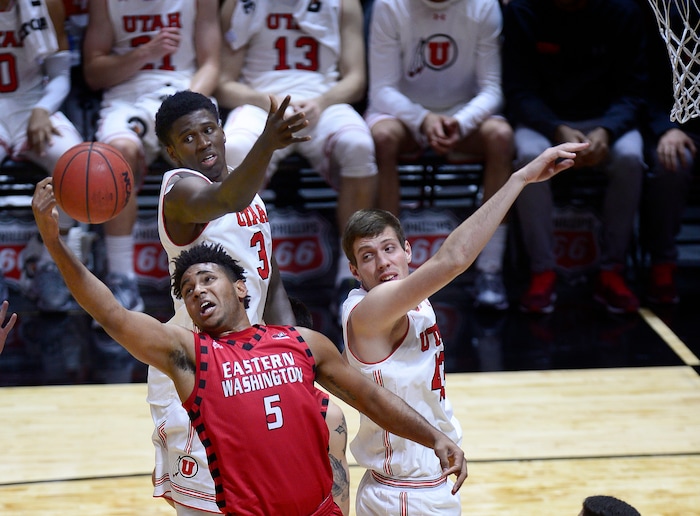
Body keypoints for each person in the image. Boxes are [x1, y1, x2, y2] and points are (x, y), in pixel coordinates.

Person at [31, 181, 469, 515]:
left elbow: (370, 398)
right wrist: (55, 243)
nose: (197, 291)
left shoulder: (301, 343)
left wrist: (434, 438)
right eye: (186, 288)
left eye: (207, 279)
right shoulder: (191, 355)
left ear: (241, 287)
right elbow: (113, 314)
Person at [340, 141, 588, 514]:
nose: (382, 262)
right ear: (355, 272)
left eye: (389, 248)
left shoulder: (412, 297)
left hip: (426, 482)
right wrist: (519, 179)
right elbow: (454, 259)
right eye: (367, 256)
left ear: (408, 251)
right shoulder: (367, 311)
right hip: (404, 493)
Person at [150, 90, 350, 514]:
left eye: (209, 129)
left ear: (222, 131)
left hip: (252, 368)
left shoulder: (249, 190)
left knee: (326, 433)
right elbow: (225, 200)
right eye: (188, 138)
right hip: (197, 372)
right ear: (171, 151)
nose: (203, 142)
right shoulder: (180, 192)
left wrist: (291, 353)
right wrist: (268, 143)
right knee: (215, 502)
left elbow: (269, 278)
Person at [215, 0, 378, 300]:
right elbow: (224, 84)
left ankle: (350, 274)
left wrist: (323, 102)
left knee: (359, 146)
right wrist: (268, 103)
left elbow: (356, 79)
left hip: (322, 103)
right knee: (235, 148)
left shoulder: (344, 4)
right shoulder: (240, 4)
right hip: (261, 103)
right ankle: (238, 272)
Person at [365, 0, 515, 310]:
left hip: (462, 114)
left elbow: (493, 89)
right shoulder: (389, 5)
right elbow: (381, 89)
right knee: (382, 138)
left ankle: (490, 269)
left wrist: (460, 122)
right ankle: (387, 278)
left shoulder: (484, 6)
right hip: (403, 114)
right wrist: (423, 119)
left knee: (501, 138)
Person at [501, 0, 648, 314]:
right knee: (529, 156)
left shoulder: (624, 11)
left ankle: (612, 271)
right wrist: (556, 130)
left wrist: (607, 130)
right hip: (545, 122)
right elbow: (518, 90)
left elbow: (635, 90)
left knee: (631, 158)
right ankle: (542, 271)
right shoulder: (523, 10)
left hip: (607, 121)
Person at [81, 0, 221, 313]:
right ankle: (122, 277)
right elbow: (93, 73)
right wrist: (144, 53)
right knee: (117, 156)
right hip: (126, 98)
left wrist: (184, 107)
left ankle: (220, 269)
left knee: (208, 156)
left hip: (185, 92)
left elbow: (211, 64)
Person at [0, 0, 87, 312]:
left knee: (78, 167)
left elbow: (60, 73)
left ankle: (48, 256)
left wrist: (42, 109)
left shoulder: (47, 3)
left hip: (32, 103)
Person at [640, 1, 699, 305]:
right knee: (672, 164)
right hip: (676, 122)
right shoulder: (665, 13)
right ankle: (662, 265)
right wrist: (666, 127)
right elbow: (640, 82)